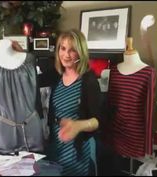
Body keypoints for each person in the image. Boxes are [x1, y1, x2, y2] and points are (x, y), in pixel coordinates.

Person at [45, 29, 101, 176]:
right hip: (56, 143)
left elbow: (98, 120)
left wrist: (78, 125)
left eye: (72, 50)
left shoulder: (88, 80)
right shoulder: (56, 75)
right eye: (62, 48)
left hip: (78, 148)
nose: (66, 55)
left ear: (80, 52)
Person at [0, 38, 44, 155]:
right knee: (3, 168)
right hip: (3, 129)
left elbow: (36, 92)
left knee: (36, 168)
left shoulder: (30, 59)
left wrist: (41, 117)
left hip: (31, 126)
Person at [105, 37, 156, 175]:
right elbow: (110, 103)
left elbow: (149, 109)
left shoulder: (148, 72)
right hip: (115, 133)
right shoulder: (114, 70)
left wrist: (148, 145)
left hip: (136, 135)